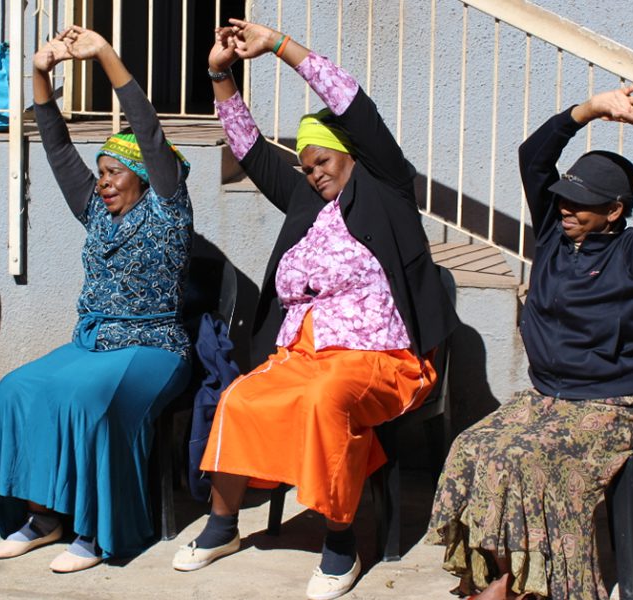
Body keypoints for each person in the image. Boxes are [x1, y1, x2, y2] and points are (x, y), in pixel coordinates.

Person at [173, 20, 458, 600]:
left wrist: (277, 46)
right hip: (304, 351)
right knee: (240, 397)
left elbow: (347, 98)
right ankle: (223, 524)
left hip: (381, 357)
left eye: (323, 159)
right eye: (305, 165)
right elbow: (248, 146)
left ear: (351, 154)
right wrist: (219, 73)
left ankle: (340, 542)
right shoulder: (306, 196)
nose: (314, 172)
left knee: (328, 402)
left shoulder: (387, 187)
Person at [426, 83, 633, 599]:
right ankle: (492, 574)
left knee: (526, 461)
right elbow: (534, 155)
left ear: (615, 211)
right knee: (474, 447)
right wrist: (589, 110)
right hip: (545, 398)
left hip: (608, 407)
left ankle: (514, 584)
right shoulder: (554, 233)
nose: (568, 208)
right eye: (564, 199)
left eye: (582, 203)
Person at [0, 25, 193, 573]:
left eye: (115, 173)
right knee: (17, 391)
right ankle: (42, 515)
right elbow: (55, 147)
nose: (103, 183)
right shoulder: (96, 211)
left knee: (90, 405)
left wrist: (105, 57)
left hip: (153, 347)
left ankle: (98, 532)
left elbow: (148, 128)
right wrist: (40, 75)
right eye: (101, 174)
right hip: (92, 342)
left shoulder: (168, 211)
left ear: (144, 176)